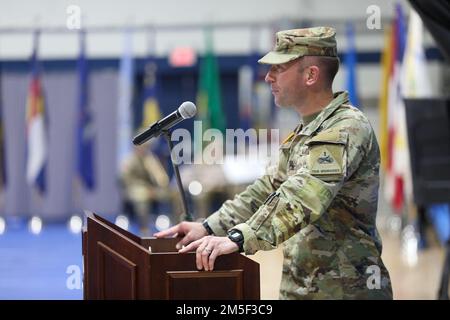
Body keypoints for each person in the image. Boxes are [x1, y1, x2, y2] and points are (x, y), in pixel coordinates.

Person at [155, 26, 393, 299]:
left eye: (278, 68)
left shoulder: (345, 128)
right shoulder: (303, 134)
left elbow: (303, 197)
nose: (268, 77)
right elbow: (265, 190)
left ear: (311, 75)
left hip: (346, 291)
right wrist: (208, 226)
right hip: (302, 288)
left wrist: (238, 238)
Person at [120, 143, 172, 235]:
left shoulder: (150, 159)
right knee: (142, 200)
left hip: (151, 189)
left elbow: (162, 179)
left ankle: (174, 226)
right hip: (135, 189)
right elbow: (125, 180)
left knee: (173, 194)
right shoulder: (129, 160)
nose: (143, 149)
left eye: (145, 147)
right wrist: (145, 190)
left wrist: (152, 168)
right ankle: (144, 230)